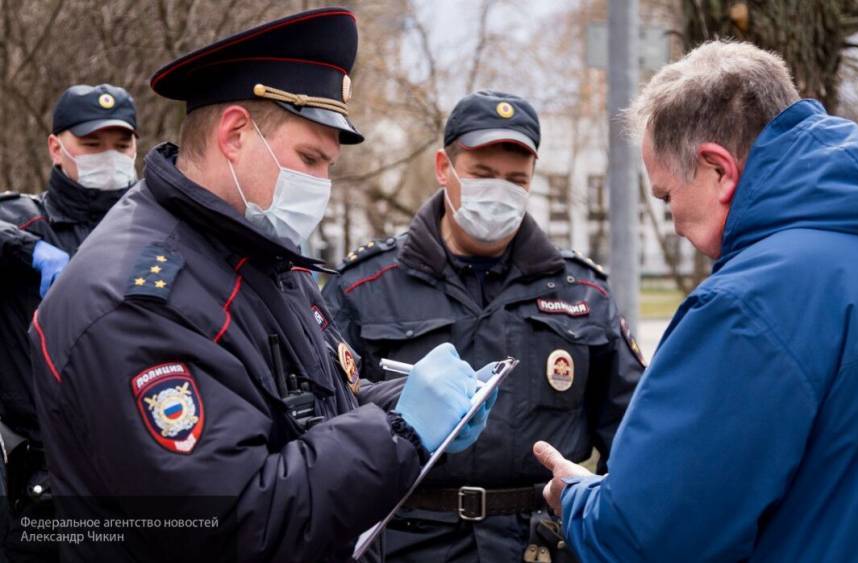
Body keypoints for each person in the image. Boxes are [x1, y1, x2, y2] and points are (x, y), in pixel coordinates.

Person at [27, 8, 494, 562]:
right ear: (234, 134)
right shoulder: (135, 301)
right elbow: (235, 521)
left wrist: (420, 406)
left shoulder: (253, 251)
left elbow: (299, 409)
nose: (321, 184)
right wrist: (399, 434)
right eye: (309, 159)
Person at [534, 41, 858, 562]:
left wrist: (576, 500)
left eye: (667, 197)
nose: (673, 224)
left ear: (718, 169)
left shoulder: (752, 301)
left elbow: (650, 537)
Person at [323, 90, 643, 563]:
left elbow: (634, 433)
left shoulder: (582, 293)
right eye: (482, 175)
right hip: (409, 543)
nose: (499, 192)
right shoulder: (364, 286)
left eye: (516, 180)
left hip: (540, 545)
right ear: (442, 168)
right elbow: (325, 426)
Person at [0, 83, 139, 560]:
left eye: (121, 145)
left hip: (141, 478)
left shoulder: (156, 232)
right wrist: (27, 251)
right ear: (56, 148)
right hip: (43, 490)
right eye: (92, 144)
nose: (110, 157)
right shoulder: (24, 223)